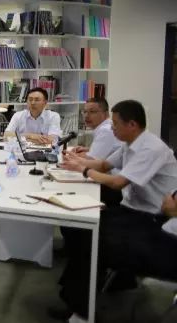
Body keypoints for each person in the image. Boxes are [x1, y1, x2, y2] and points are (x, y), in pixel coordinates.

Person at [53, 100, 177, 322]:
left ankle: (81, 308)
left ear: (132, 124)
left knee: (91, 238)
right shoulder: (130, 144)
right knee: (80, 226)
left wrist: (84, 170)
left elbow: (118, 182)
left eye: (116, 124)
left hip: (151, 218)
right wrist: (76, 161)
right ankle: (77, 297)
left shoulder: (151, 148)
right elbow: (104, 165)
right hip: (132, 210)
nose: (112, 128)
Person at [65, 98, 123, 207]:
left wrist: (76, 158)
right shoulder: (104, 128)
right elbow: (105, 160)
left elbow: (92, 162)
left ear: (106, 114)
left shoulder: (106, 130)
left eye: (92, 112)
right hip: (111, 183)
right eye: (85, 112)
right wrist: (87, 150)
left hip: (114, 189)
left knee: (72, 194)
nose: (87, 116)